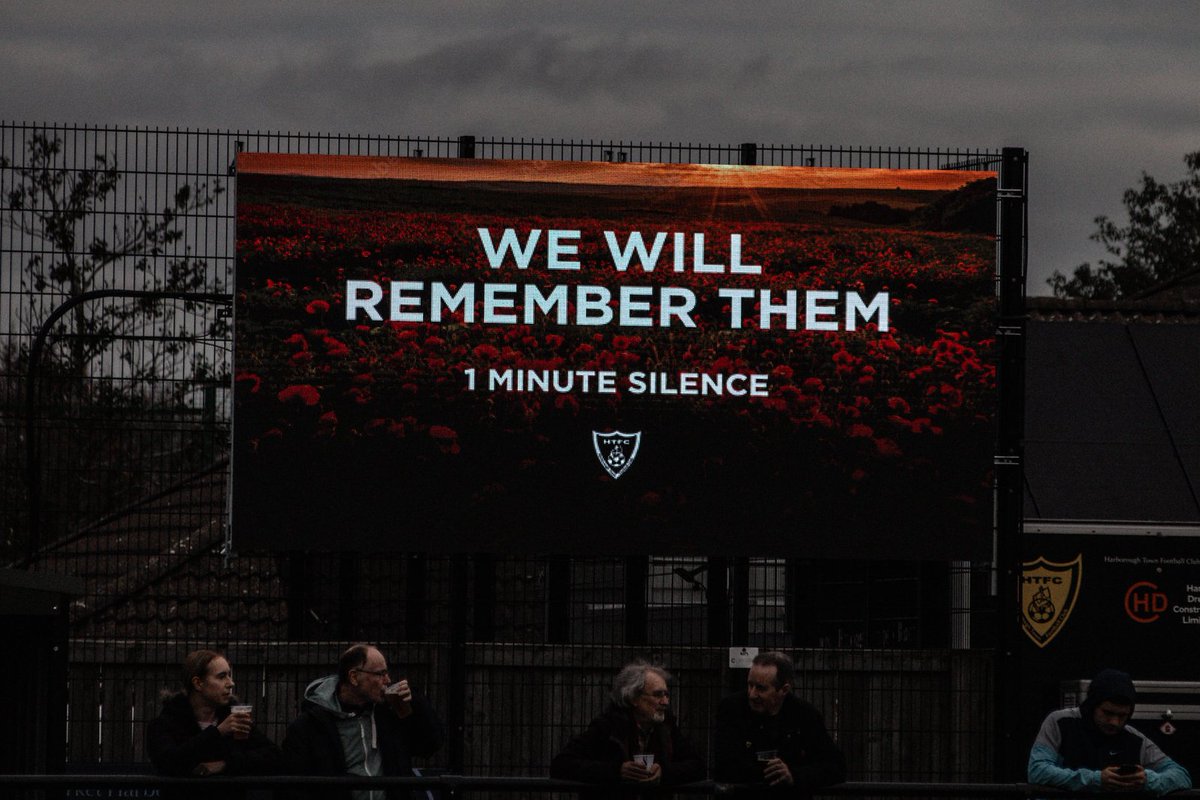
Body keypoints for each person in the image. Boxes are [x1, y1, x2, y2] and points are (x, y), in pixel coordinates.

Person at [281, 643, 444, 800]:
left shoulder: (388, 714)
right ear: (353, 677)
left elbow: (430, 745)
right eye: (380, 674)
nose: (387, 680)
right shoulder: (311, 725)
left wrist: (414, 704)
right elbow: (295, 786)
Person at [1028, 667, 1192, 795]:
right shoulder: (1060, 722)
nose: (1114, 722)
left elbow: (1181, 776)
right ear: (1092, 706)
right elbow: (1038, 771)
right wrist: (1096, 780)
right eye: (1108, 713)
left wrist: (1147, 780)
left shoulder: (1135, 739)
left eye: (1122, 715)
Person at [550, 661, 705, 792]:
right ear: (633, 698)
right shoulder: (608, 727)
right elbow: (561, 765)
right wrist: (616, 771)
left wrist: (664, 772)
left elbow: (698, 766)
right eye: (658, 695)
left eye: (666, 695)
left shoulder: (666, 728)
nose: (665, 702)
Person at [146, 649, 281, 796]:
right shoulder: (166, 723)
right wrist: (218, 732)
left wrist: (225, 765)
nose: (231, 683)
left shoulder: (234, 720)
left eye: (229, 675)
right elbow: (170, 762)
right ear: (198, 683)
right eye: (222, 676)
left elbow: (274, 757)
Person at [713, 651, 845, 797]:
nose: (752, 694)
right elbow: (724, 765)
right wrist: (780, 774)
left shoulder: (804, 715)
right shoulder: (732, 709)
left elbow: (835, 766)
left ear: (784, 690)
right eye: (750, 685)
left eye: (761, 688)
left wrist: (794, 775)